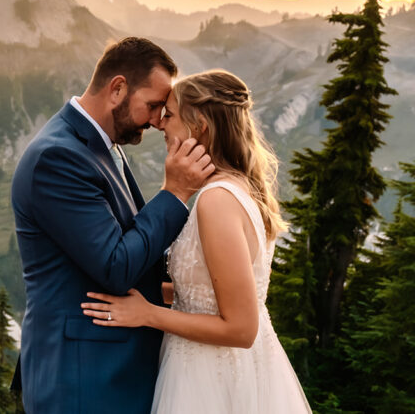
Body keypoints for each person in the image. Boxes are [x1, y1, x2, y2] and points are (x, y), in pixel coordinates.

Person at [81, 69, 311, 413]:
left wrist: (148, 314)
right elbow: (211, 291)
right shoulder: (238, 188)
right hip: (220, 369)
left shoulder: (217, 200)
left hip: (210, 380)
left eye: (170, 115)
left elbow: (240, 328)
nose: (160, 124)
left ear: (200, 126)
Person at [11, 37, 214, 414]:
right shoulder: (58, 157)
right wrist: (175, 192)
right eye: (152, 106)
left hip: (108, 371)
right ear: (118, 88)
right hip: (81, 379)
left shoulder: (101, 144)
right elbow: (116, 266)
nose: (157, 120)